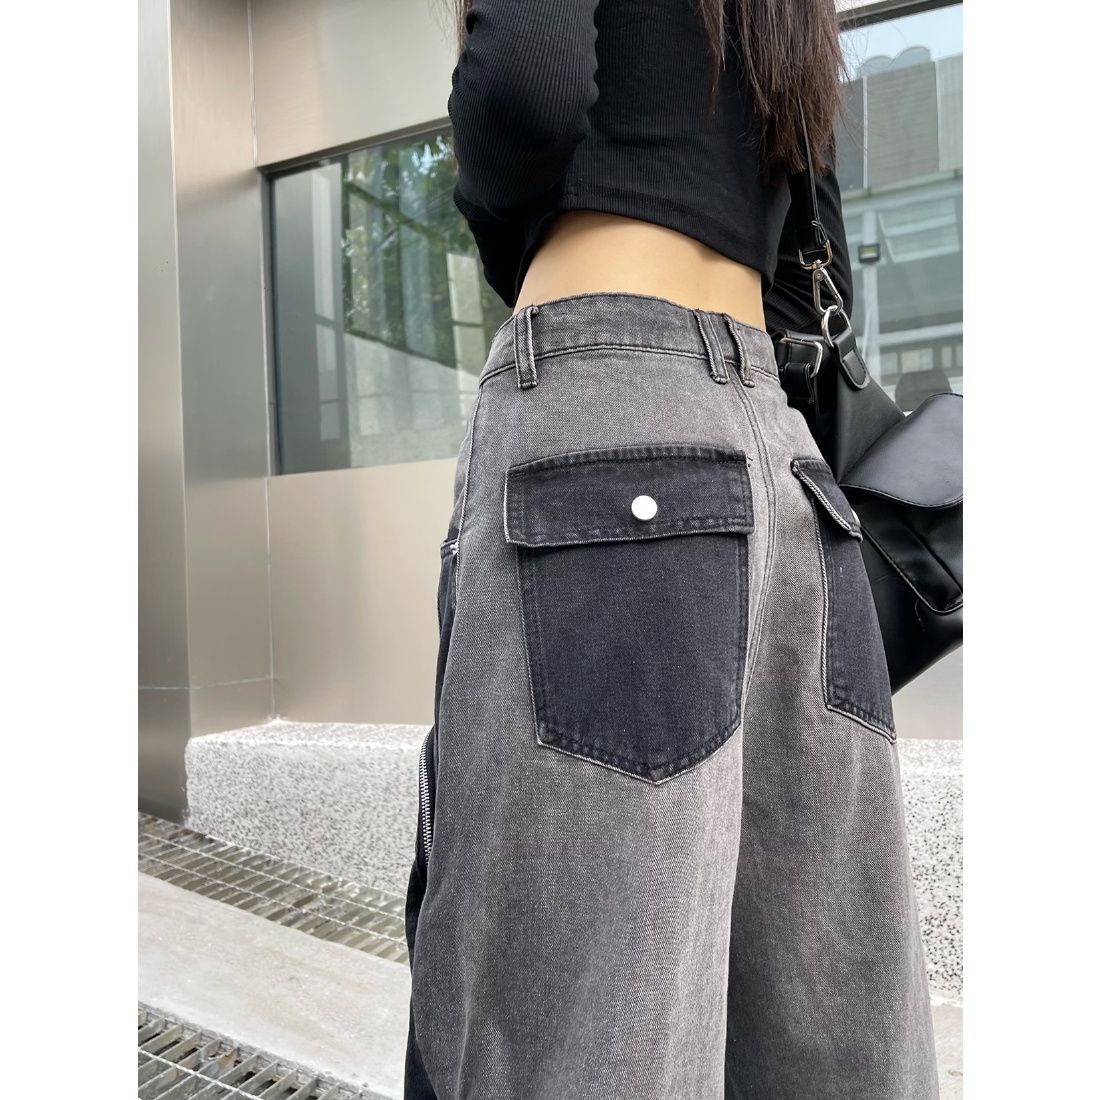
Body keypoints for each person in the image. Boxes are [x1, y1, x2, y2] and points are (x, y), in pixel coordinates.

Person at [404, 1, 939, 1097]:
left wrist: (509, 229)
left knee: (577, 1027)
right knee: (824, 1031)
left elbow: (525, 89)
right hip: (786, 475)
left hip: (606, 428)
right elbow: (815, 254)